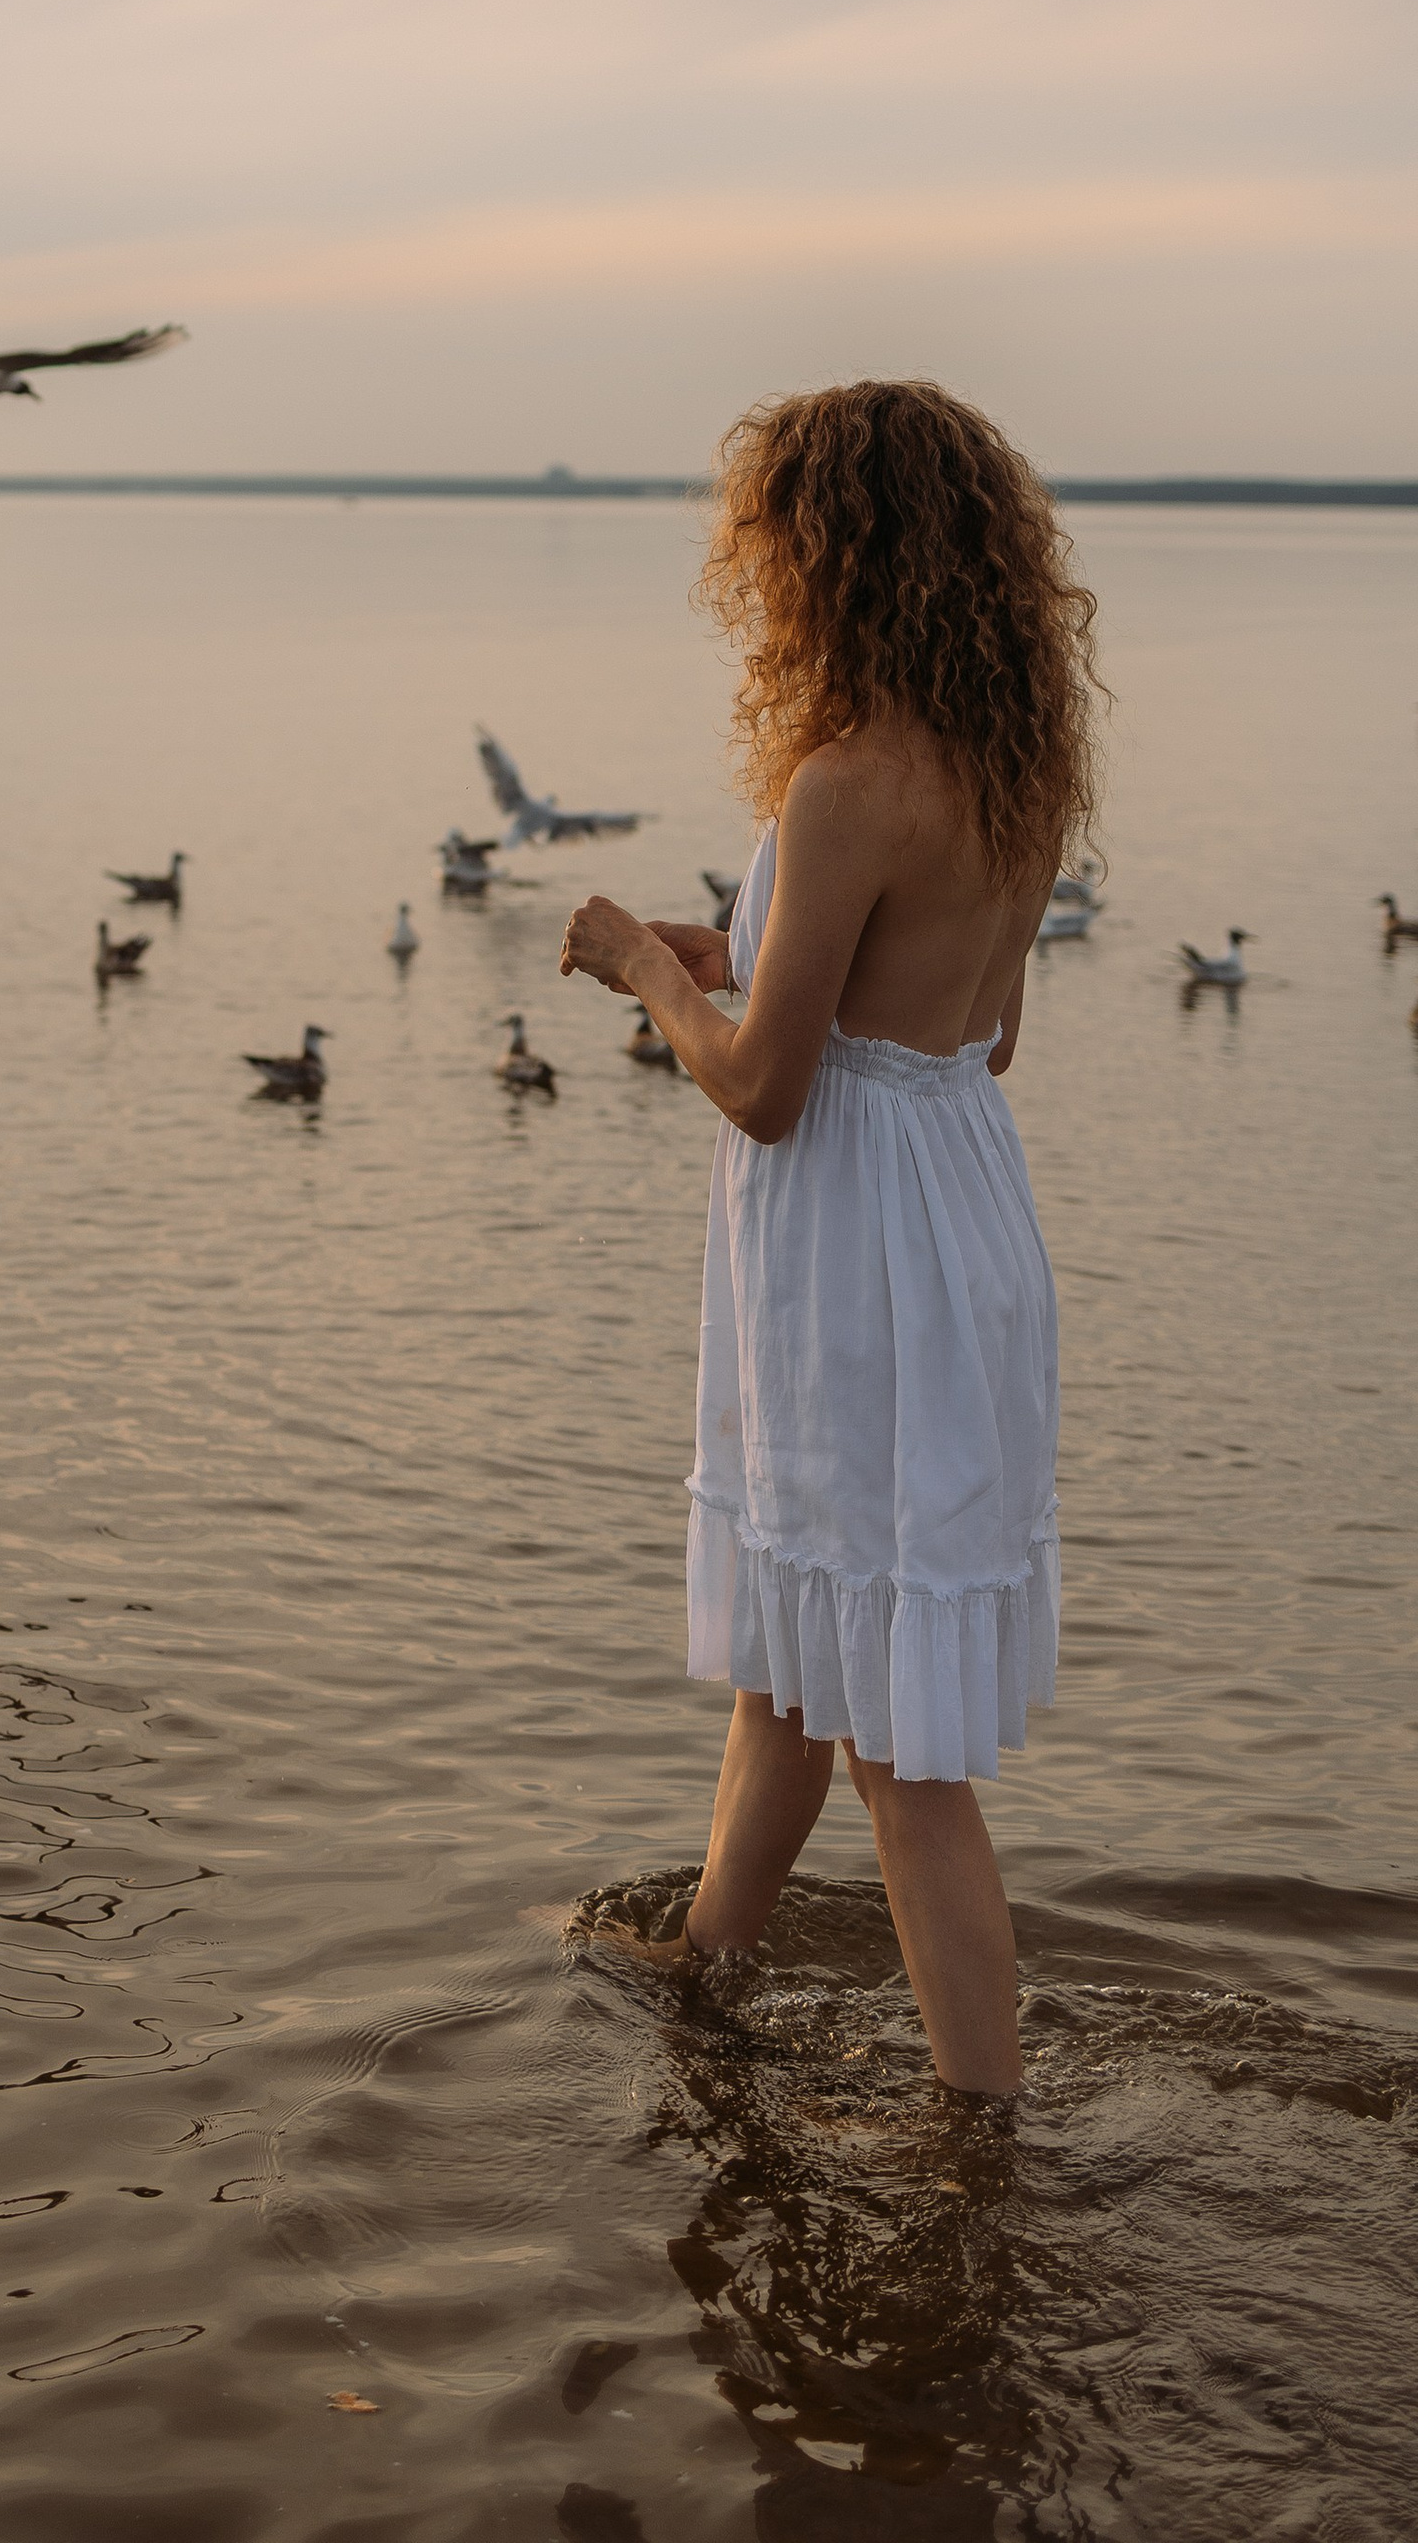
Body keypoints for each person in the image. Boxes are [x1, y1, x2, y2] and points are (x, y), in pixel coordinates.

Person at [560, 380, 1101, 2097]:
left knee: (901, 1760)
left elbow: (768, 1094)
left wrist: (646, 973)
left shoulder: (842, 783)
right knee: (801, 1657)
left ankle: (982, 2131)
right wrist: (740, 948)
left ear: (833, 556)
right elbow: (966, 1022)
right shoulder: (1019, 769)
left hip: (854, 1257)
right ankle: (705, 1968)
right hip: (959, 1215)